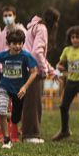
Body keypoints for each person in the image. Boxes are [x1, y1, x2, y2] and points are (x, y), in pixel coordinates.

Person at [0, 28, 38, 150]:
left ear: (23, 43)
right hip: (4, 87)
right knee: (1, 110)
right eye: (14, 43)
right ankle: (6, 139)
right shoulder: (3, 55)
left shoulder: (25, 56)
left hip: (19, 90)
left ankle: (15, 124)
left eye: (20, 43)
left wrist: (25, 87)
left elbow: (34, 72)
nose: (17, 46)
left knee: (15, 118)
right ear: (9, 44)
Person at [21, 8, 59, 143]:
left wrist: (51, 70)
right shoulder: (42, 29)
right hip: (33, 70)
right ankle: (31, 135)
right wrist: (43, 70)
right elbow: (37, 52)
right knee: (33, 103)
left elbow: (39, 54)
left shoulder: (35, 26)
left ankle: (27, 133)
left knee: (30, 103)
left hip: (26, 67)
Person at [53, 25, 79, 141]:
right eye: (73, 37)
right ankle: (64, 131)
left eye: (78, 37)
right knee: (63, 107)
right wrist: (60, 67)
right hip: (71, 81)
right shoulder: (67, 50)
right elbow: (60, 64)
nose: (75, 40)